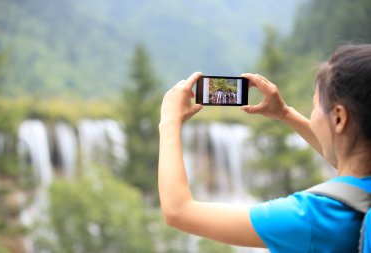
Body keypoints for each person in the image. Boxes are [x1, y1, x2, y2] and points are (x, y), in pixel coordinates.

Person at [158, 44, 371, 252]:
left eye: (316, 105)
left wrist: (169, 121)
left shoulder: (310, 216)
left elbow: (178, 211)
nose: (313, 114)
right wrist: (284, 113)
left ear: (339, 118)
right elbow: (344, 158)